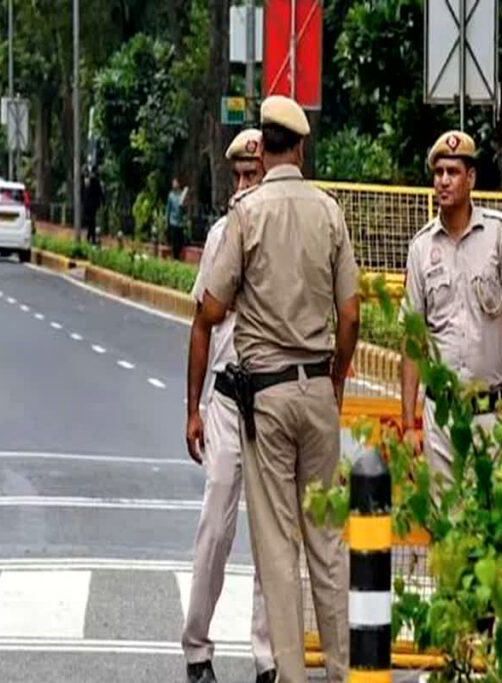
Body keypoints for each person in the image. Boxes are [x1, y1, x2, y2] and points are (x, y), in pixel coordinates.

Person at [186, 95, 358, 682]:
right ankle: (339, 672)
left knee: (277, 550)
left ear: (267, 145)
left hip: (265, 397)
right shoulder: (329, 212)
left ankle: (287, 673)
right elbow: (352, 316)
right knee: (328, 546)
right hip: (317, 391)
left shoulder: (248, 216)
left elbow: (209, 309)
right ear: (303, 145)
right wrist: (334, 378)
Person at [182, 128, 274, 683]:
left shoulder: (283, 233)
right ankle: (197, 649)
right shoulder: (220, 236)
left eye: (253, 176)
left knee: (271, 535)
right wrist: (191, 409)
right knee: (216, 524)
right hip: (223, 394)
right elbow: (200, 322)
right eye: (237, 177)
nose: (243, 187)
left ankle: (267, 658)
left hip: (271, 399)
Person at [401, 131, 502, 490]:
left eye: (453, 172)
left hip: (488, 416)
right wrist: (409, 424)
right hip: (438, 418)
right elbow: (413, 338)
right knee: (444, 532)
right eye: (438, 172)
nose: (443, 181)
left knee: (486, 528)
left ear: (470, 178)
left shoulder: (498, 234)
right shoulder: (421, 248)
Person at [167, 177, 189, 259]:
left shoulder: (181, 195)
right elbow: (168, 209)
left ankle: (178, 256)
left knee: (180, 241)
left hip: (180, 222)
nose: (174, 185)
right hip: (173, 221)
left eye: (176, 183)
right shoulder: (171, 196)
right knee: (174, 241)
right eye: (173, 183)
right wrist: (167, 221)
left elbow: (184, 209)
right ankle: (174, 256)